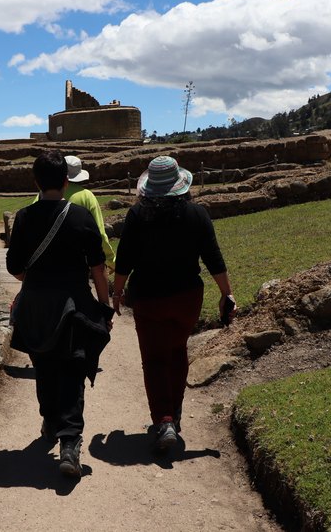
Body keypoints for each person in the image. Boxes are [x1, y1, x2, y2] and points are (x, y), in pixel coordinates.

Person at [111, 155, 235, 453]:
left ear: (149, 188)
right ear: (181, 186)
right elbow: (213, 259)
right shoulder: (197, 214)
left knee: (154, 359)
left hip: (149, 298)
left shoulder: (138, 216)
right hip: (187, 298)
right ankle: (175, 414)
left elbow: (124, 260)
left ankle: (164, 420)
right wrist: (226, 293)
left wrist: (117, 292)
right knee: (178, 350)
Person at [7, 150, 113, 477]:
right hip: (73, 307)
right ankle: (69, 442)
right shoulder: (81, 218)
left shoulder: (24, 217)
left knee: (44, 365)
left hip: (36, 306)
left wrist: (37, 282)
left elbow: (14, 267)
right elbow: (98, 269)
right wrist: (104, 305)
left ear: (36, 182)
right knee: (72, 370)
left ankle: (50, 421)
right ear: (66, 181)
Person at [32, 154, 116, 271]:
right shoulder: (87, 196)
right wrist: (111, 260)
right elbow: (99, 234)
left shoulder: (42, 195)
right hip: (77, 265)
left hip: (45, 265)